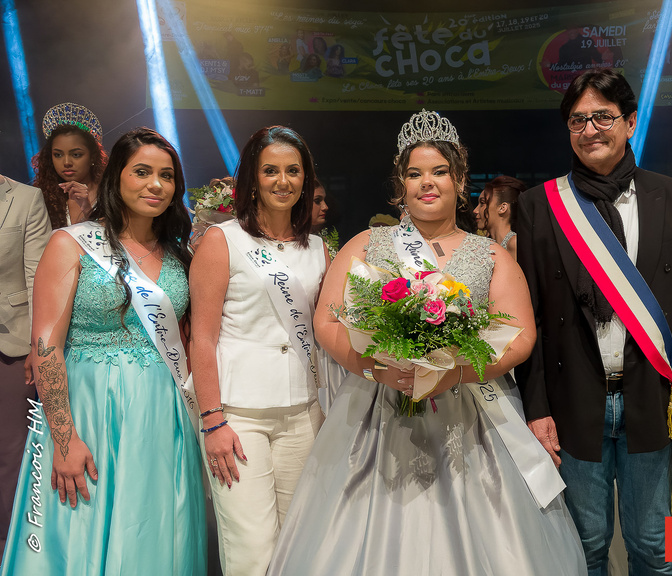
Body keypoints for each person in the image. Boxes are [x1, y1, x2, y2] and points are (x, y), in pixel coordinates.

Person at [266, 109, 587, 575]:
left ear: (459, 180)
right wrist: (378, 369)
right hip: (377, 408)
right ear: (401, 185)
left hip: (472, 411)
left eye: (439, 172)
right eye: (415, 174)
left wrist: (456, 371)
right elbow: (328, 321)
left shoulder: (489, 254)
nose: (427, 183)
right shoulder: (367, 244)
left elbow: (520, 334)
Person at [515, 68, 672, 575]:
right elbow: (532, 318)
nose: (590, 130)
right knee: (585, 547)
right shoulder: (539, 205)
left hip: (653, 398)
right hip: (572, 401)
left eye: (603, 116)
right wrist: (536, 409)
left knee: (653, 547)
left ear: (630, 122)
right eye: (578, 120)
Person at [1, 127, 206, 574]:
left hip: (162, 411)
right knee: (81, 527)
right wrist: (63, 439)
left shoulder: (179, 254)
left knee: (155, 526)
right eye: (142, 172)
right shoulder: (71, 242)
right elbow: (46, 347)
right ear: (116, 177)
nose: (156, 184)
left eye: (167, 176)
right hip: (89, 407)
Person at [189, 126, 328, 576]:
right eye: (270, 171)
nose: (282, 181)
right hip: (238, 415)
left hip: (303, 413)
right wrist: (213, 420)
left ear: (305, 179)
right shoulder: (222, 240)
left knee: (300, 546)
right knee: (251, 550)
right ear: (252, 178)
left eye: (293, 171)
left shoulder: (319, 248)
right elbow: (202, 338)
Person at [0, 175, 50, 558]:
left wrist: (37, 343)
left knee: (11, 449)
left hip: (11, 341)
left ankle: (9, 547)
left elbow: (38, 278)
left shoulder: (25, 198)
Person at [32, 102, 107, 229]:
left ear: (92, 156)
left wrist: (87, 209)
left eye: (76, 155)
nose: (66, 162)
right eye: (58, 155)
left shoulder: (110, 193)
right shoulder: (45, 197)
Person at [473, 175, 527, 260]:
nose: (475, 210)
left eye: (482, 203)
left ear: (502, 208)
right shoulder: (484, 243)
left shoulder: (513, 244)